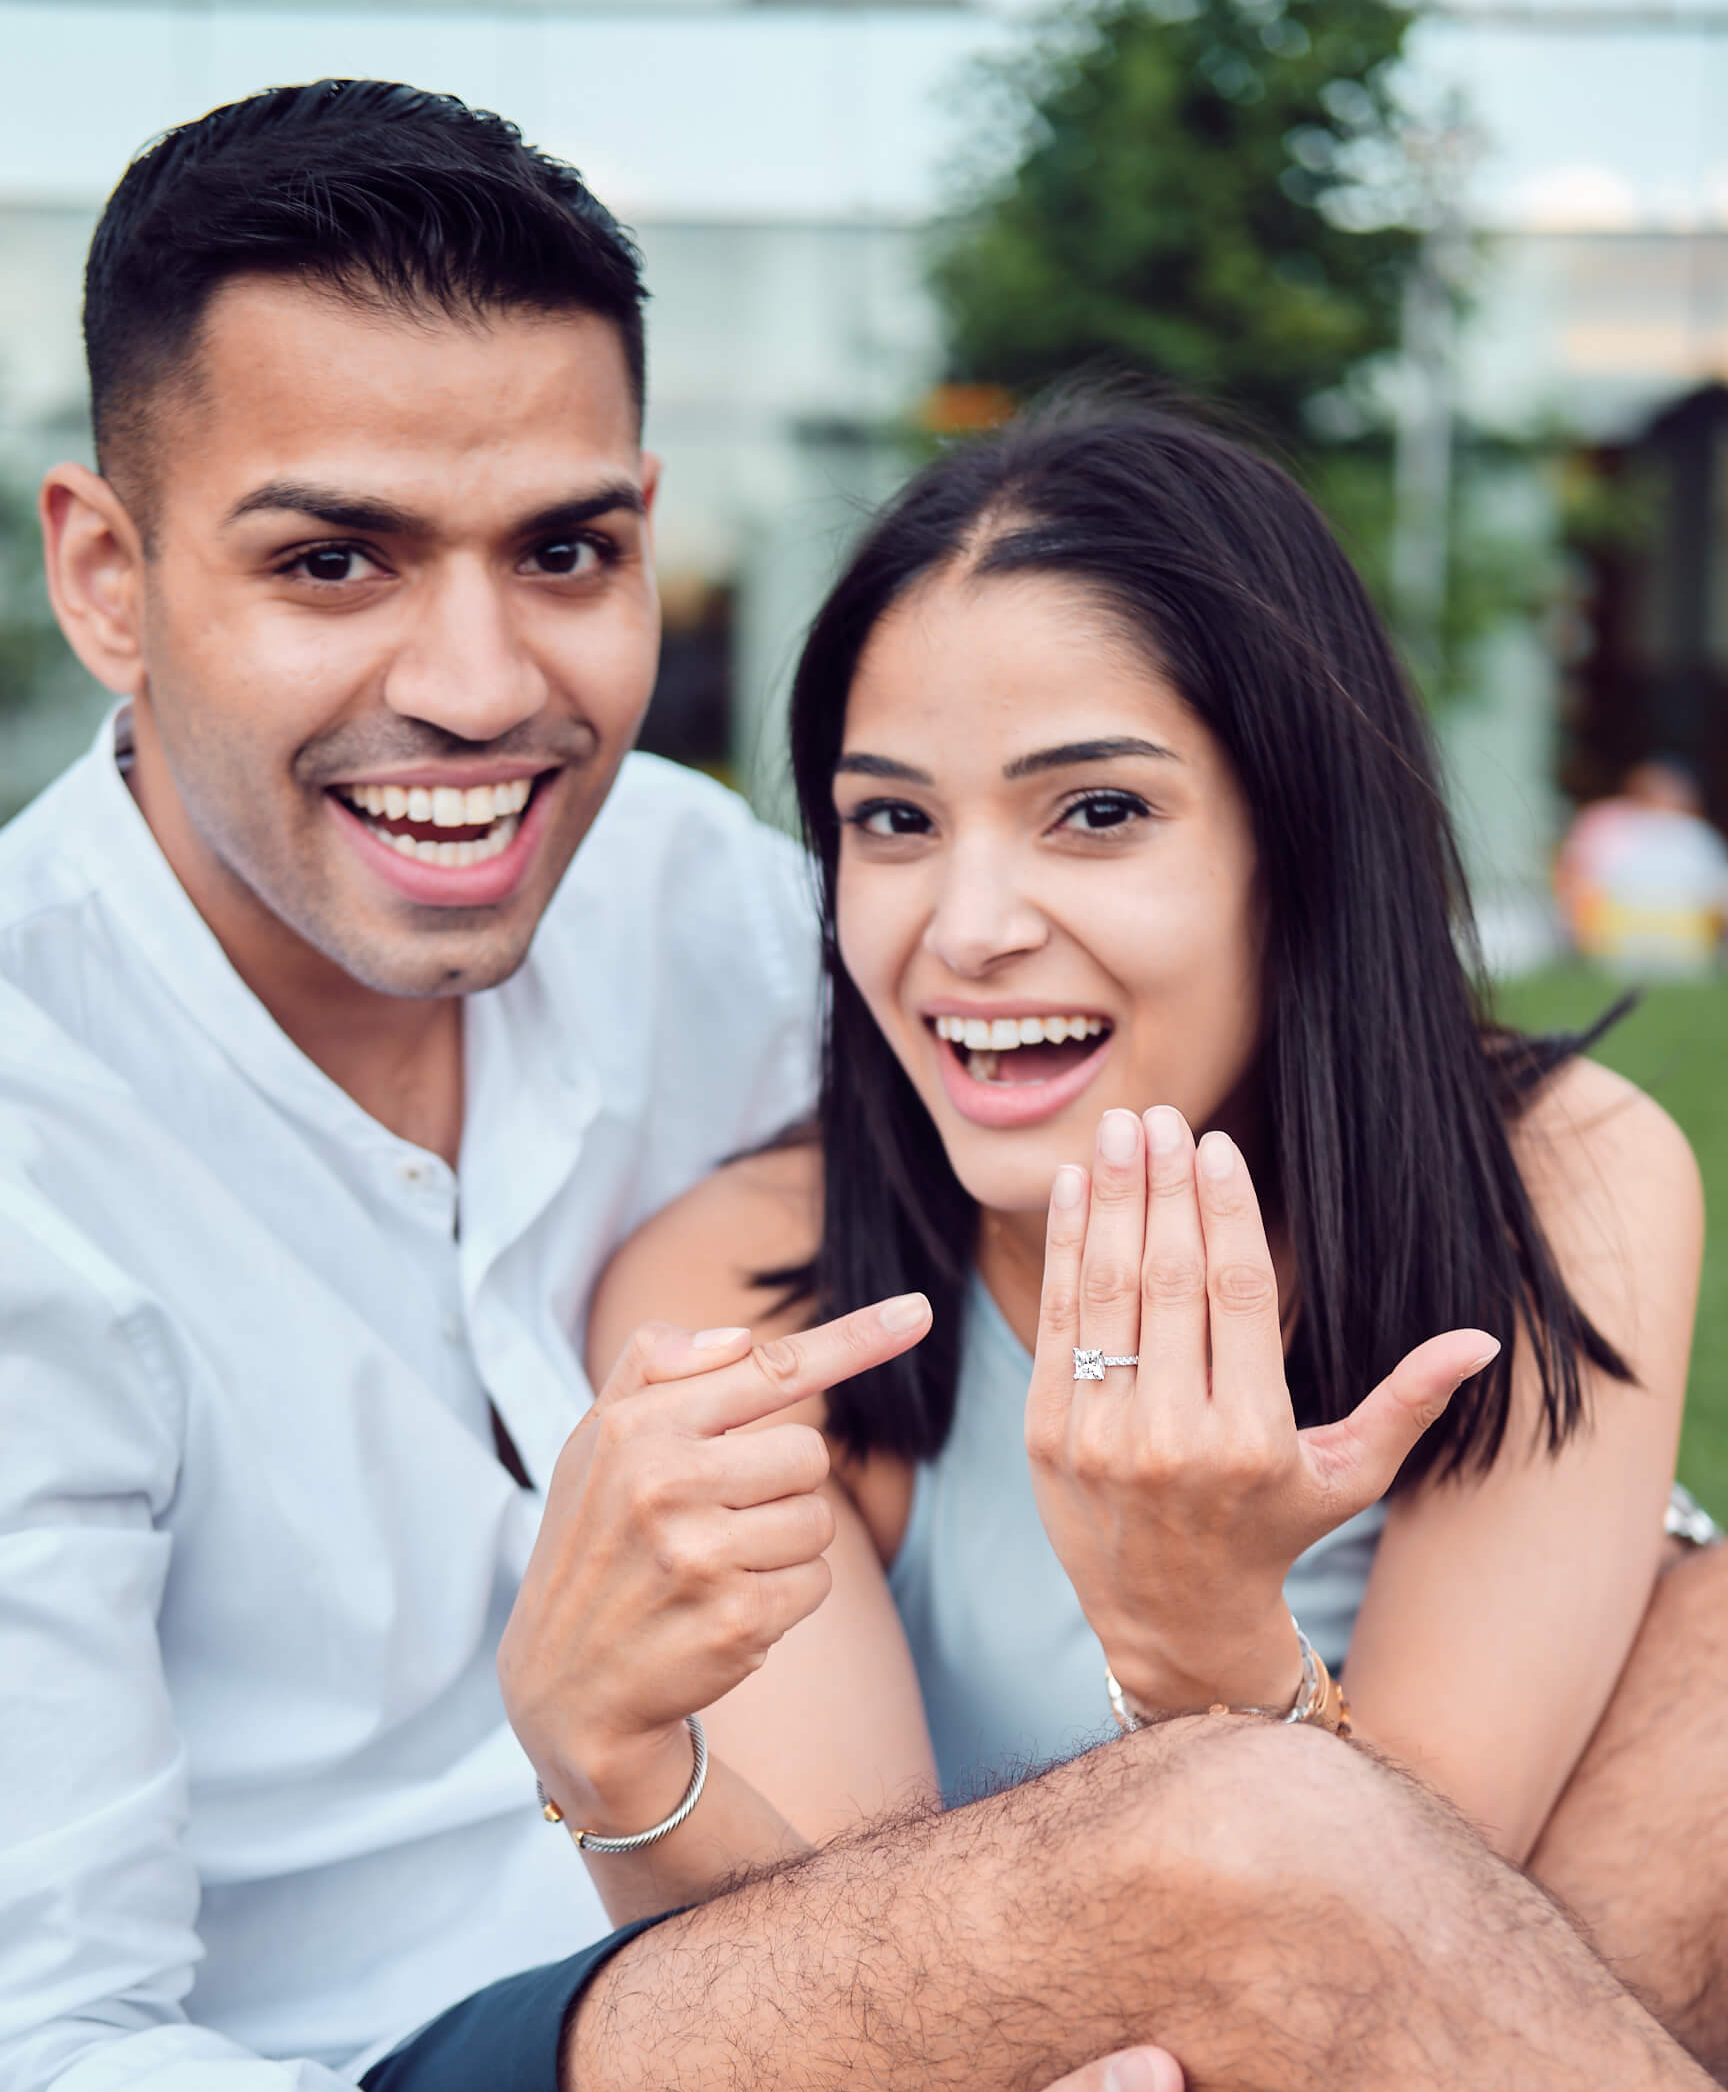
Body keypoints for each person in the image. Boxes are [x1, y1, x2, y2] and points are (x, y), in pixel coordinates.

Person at [8, 79, 1728, 2092]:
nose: (477, 682)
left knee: (1683, 1654)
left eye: (568, 547)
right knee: (1248, 1839)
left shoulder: (692, 905)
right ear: (106, 570)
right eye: (335, 556)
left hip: (850, 1964)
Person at [587, 391, 1709, 1893]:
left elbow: (1438, 1985)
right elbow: (838, 2001)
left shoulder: (1557, 1185)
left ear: (1300, 844)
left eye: (1097, 811)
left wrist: (1203, 1648)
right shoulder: (749, 1291)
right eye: (895, 824)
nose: (969, 932)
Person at [1556, 756, 1728, 970]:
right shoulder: (1607, 824)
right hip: (1617, 940)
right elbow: (1576, 881)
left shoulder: (1695, 835)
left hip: (1684, 943)